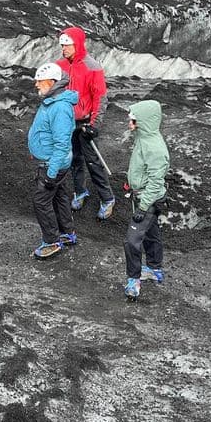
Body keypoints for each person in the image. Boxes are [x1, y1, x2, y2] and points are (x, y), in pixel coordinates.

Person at [56, 26, 115, 219]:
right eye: (62, 45)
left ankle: (107, 198)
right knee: (74, 159)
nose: (63, 48)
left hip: (86, 123)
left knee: (92, 161)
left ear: (77, 44)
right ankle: (80, 192)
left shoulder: (92, 66)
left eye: (67, 45)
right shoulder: (60, 66)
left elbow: (100, 97)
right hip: (67, 122)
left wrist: (95, 124)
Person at [27, 63, 78, 259]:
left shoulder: (60, 107)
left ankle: (51, 241)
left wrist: (51, 172)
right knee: (60, 197)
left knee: (41, 201)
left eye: (40, 81)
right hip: (51, 162)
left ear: (52, 82)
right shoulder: (52, 101)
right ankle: (67, 233)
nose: (36, 85)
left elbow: (62, 144)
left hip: (52, 165)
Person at [122, 100, 170, 300]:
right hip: (143, 195)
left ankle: (134, 279)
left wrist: (143, 206)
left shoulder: (155, 148)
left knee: (131, 241)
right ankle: (154, 268)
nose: (129, 124)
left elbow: (156, 182)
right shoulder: (144, 137)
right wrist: (132, 183)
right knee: (151, 233)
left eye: (133, 121)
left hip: (148, 199)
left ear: (144, 121)